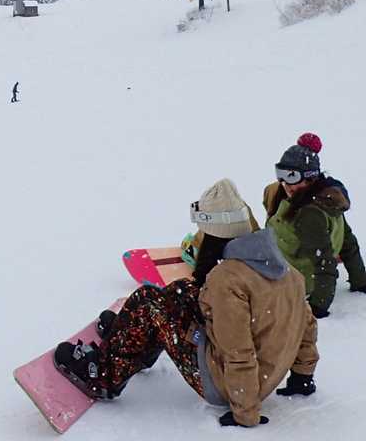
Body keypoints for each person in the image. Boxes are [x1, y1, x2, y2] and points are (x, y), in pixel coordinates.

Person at [57, 179, 318, 427]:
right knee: (183, 290)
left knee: (148, 300)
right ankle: (135, 336)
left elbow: (238, 350)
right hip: (261, 376)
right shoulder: (287, 272)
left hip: (226, 385)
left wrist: (245, 411)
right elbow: (307, 327)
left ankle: (103, 376)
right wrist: (302, 378)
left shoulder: (227, 279)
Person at [262, 133, 366, 317]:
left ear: (310, 177)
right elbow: (347, 242)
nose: (285, 183)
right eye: (280, 174)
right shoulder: (326, 199)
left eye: (292, 176)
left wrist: (317, 307)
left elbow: (325, 263)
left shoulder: (309, 215)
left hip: (289, 280)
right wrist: (360, 281)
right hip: (287, 261)